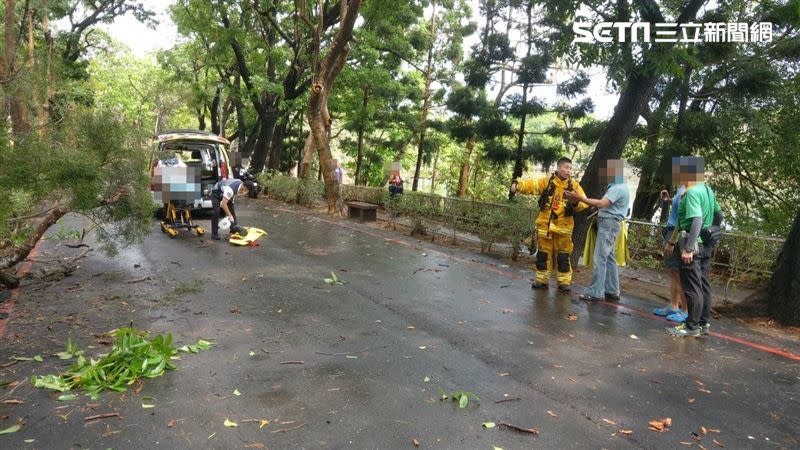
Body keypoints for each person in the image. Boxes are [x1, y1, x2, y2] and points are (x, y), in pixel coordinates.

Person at [510, 157, 588, 292]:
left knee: (563, 257)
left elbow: (584, 203)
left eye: (570, 168)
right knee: (543, 255)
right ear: (558, 168)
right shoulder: (547, 181)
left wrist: (575, 202)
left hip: (564, 229)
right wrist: (518, 185)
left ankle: (564, 282)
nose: (568, 171)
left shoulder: (574, 186)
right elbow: (532, 185)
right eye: (566, 167)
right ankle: (541, 280)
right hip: (545, 227)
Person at [665, 157, 722, 337]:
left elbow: (696, 219)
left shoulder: (691, 193)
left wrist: (688, 248)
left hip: (692, 244)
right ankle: (703, 323)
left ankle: (692, 326)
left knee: (692, 287)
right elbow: (718, 215)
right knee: (704, 285)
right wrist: (711, 232)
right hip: (705, 245)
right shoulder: (707, 190)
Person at [564, 159, 630, 302]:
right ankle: (612, 290)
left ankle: (595, 292)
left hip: (608, 224)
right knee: (609, 257)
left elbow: (602, 203)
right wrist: (598, 207)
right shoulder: (620, 187)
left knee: (600, 258)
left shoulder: (617, 188)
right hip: (611, 223)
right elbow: (606, 204)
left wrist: (579, 197)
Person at [654, 163, 688, 322]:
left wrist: (672, 242)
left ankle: (685, 310)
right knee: (673, 273)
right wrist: (668, 200)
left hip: (675, 234)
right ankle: (673, 305)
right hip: (671, 232)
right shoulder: (681, 189)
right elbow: (677, 209)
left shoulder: (687, 192)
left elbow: (682, 219)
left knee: (680, 275)